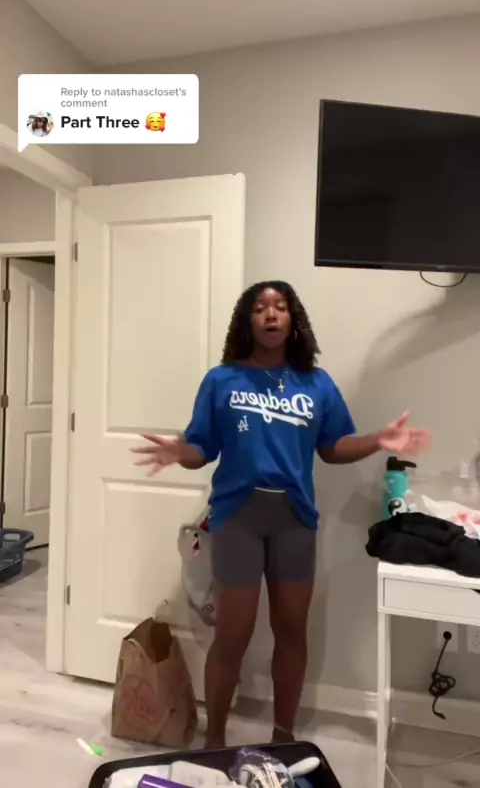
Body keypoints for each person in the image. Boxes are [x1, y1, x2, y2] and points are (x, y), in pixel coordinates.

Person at [133, 281, 430, 748]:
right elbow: (201, 449)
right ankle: (215, 740)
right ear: (247, 321)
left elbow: (332, 447)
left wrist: (378, 440)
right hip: (238, 518)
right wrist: (180, 451)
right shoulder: (222, 380)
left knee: (291, 629)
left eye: (280, 306)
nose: (271, 314)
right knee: (233, 633)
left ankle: (283, 737)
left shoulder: (316, 383)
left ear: (293, 320)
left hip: (294, 520)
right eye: (260, 307)